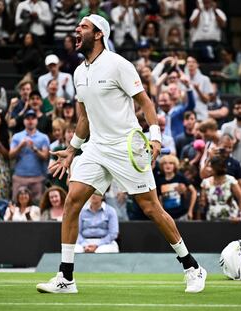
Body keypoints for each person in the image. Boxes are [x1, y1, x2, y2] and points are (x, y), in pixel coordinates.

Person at [36, 14, 206, 294]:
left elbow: (146, 102)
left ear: (99, 34)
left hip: (126, 147)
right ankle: (66, 277)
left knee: (151, 208)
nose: (77, 30)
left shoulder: (119, 65)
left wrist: (155, 137)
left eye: (84, 27)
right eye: (77, 26)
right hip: (96, 148)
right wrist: (71, 150)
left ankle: (192, 267)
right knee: (71, 203)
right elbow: (84, 119)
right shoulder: (79, 72)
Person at [9, 109, 50, 202]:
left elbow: (45, 156)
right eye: (28, 118)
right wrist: (20, 146)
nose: (30, 121)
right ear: (24, 121)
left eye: (33, 118)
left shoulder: (43, 137)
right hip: (19, 177)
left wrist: (35, 149)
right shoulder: (17, 136)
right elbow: (10, 155)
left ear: (37, 120)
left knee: (37, 206)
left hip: (37, 178)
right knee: (17, 206)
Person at [200, 156, 241, 221]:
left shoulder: (230, 180)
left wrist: (240, 214)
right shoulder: (205, 182)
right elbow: (202, 202)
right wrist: (202, 201)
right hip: (212, 219)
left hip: (232, 219)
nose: (208, 169)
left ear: (217, 167)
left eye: (210, 167)